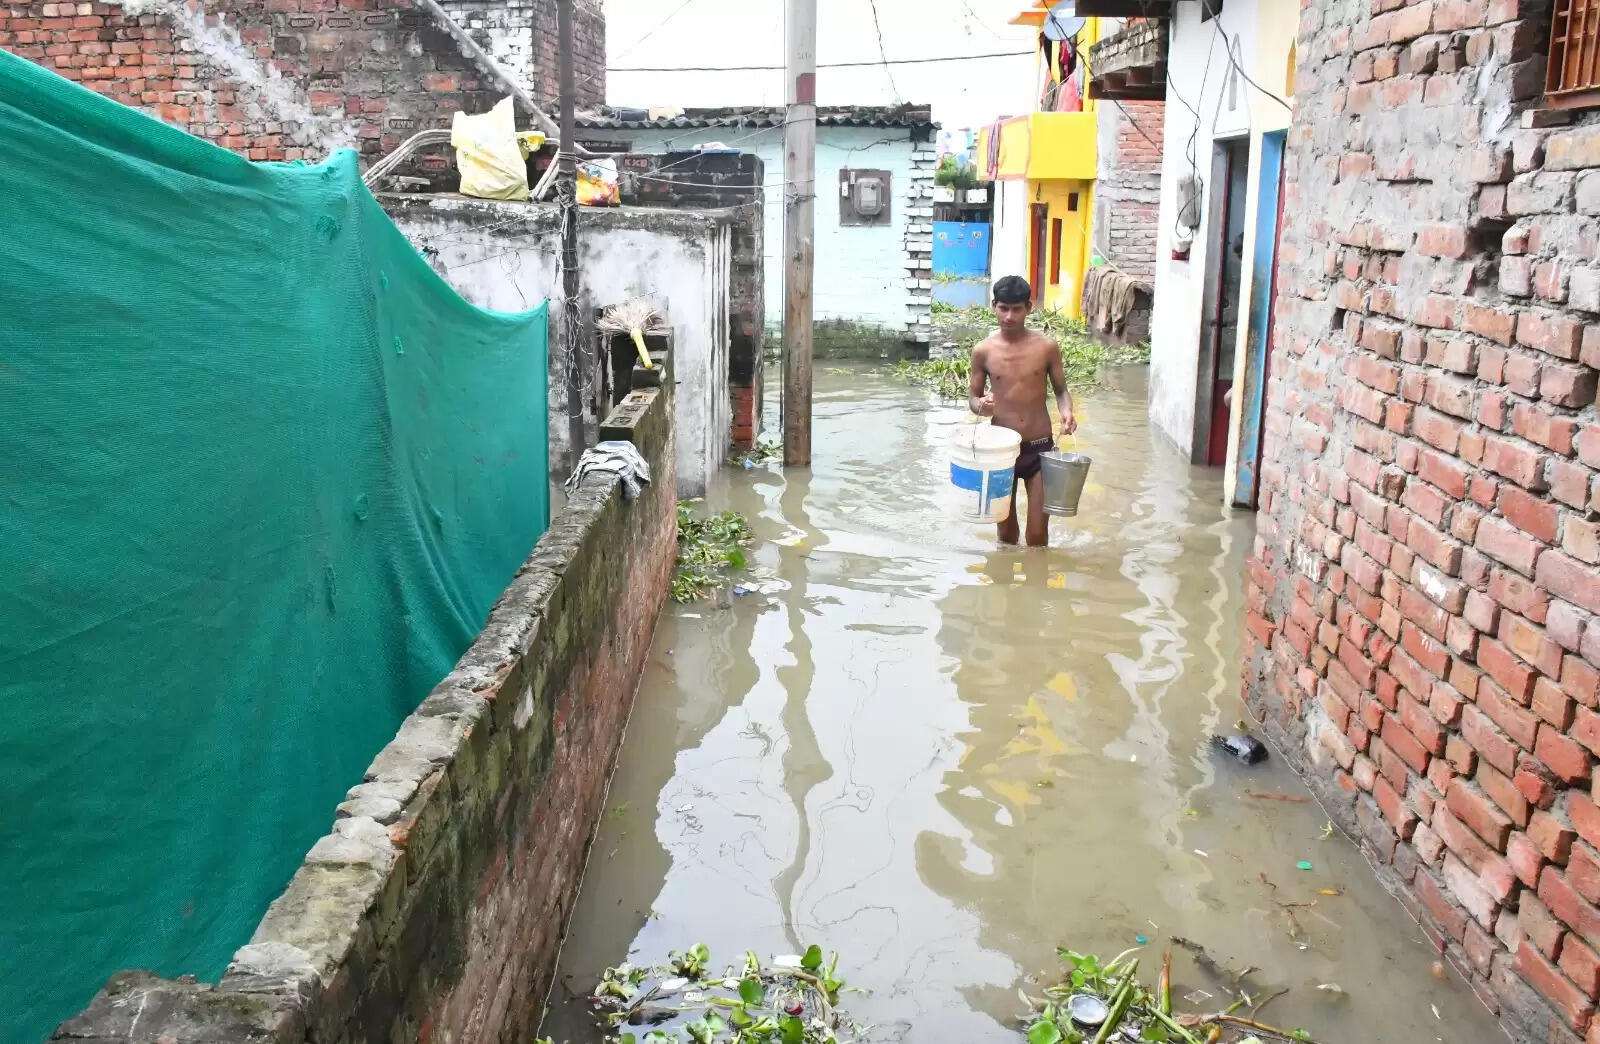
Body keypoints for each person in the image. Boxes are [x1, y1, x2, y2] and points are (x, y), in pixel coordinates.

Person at [968, 276, 1078, 547]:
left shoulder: (1046, 347)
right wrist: (981, 406)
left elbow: (1061, 391)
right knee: (1006, 536)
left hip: (1039, 448)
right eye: (1003, 308)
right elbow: (973, 397)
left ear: (1029, 307)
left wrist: (1067, 412)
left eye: (1016, 308)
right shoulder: (983, 351)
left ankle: (1037, 586)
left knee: (1038, 536)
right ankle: (1004, 588)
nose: (1009, 316)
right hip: (1000, 451)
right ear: (993, 305)